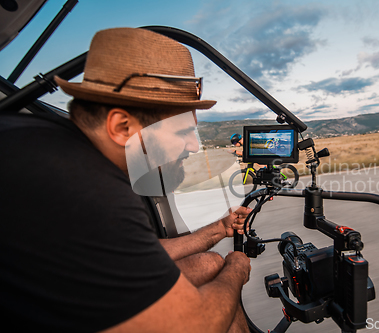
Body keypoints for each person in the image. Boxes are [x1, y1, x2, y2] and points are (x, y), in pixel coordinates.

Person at [0, 27, 251, 332]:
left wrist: (217, 230)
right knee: (222, 274)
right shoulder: (81, 185)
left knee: (210, 263)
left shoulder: (44, 143)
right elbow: (196, 325)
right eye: (182, 132)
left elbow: (131, 253)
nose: (194, 146)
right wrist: (237, 269)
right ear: (122, 127)